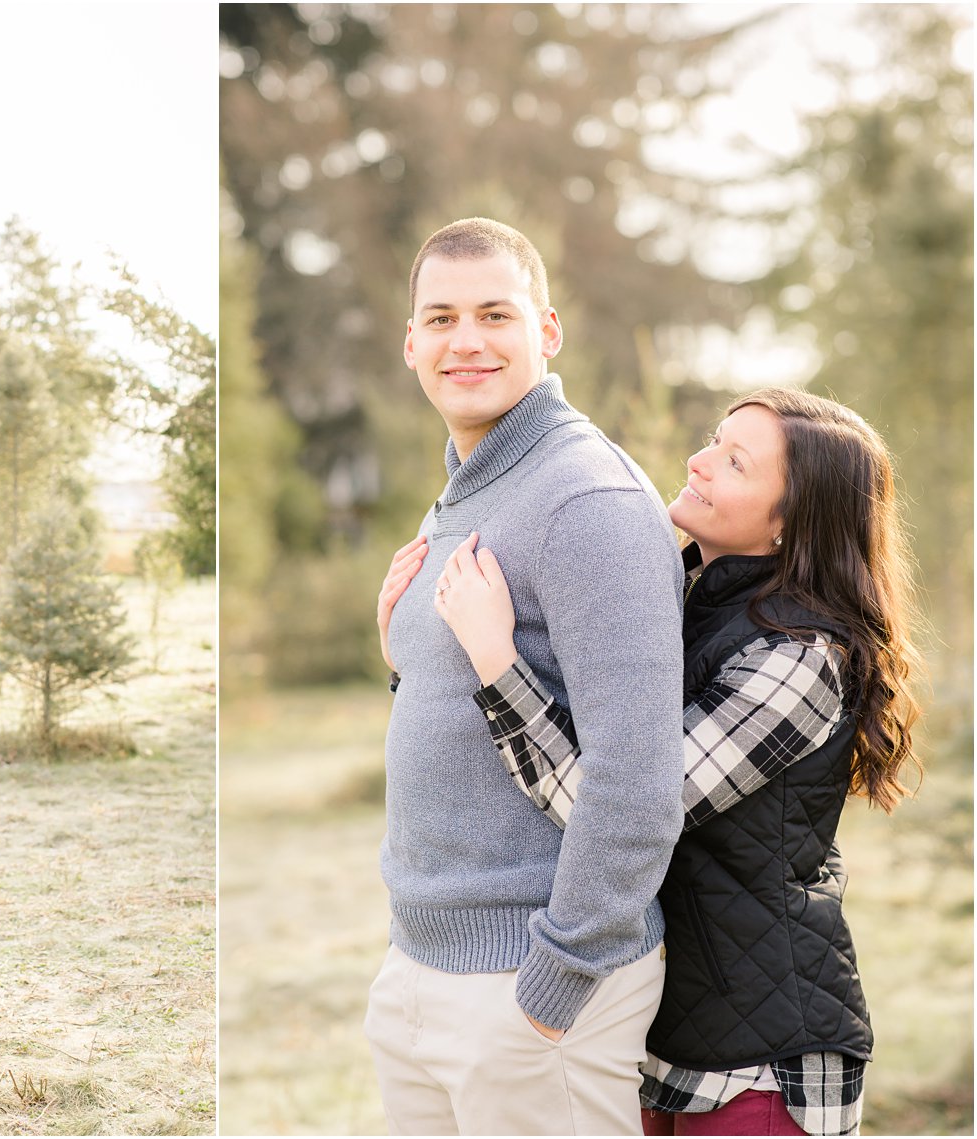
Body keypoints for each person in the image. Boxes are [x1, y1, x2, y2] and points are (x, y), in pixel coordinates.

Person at [435, 388, 923, 1136]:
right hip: (670, 1049)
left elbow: (618, 813)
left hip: (764, 1064)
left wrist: (495, 657)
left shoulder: (798, 658)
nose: (698, 461)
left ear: (791, 520)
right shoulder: (694, 604)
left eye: (735, 462)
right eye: (713, 441)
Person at [367, 217, 686, 1136]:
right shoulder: (469, 485)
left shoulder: (584, 497)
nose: (465, 340)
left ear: (546, 332)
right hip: (422, 970)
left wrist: (553, 983)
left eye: (494, 314)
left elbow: (637, 780)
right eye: (441, 319)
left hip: (529, 988)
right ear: (411, 343)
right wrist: (401, 658)